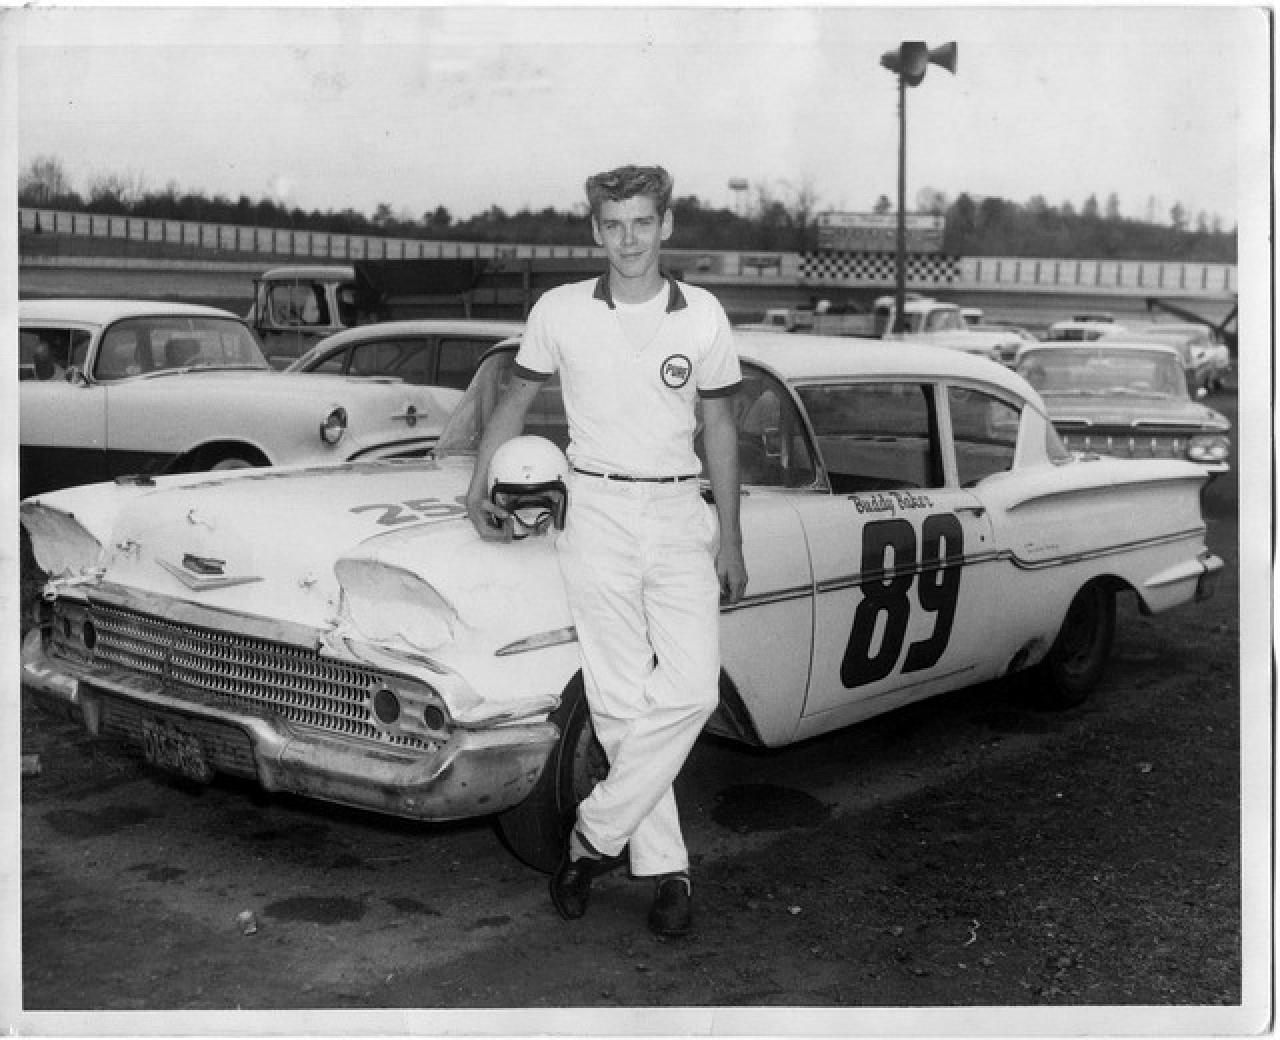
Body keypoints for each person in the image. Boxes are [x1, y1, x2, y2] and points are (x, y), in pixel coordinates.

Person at [465, 164, 747, 937]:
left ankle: (594, 836)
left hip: (677, 506)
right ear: (596, 230)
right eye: (613, 224)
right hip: (594, 508)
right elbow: (514, 401)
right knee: (621, 703)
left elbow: (720, 428)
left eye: (642, 223)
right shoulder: (560, 310)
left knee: (691, 691)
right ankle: (668, 872)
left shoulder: (704, 315)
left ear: (666, 226)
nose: (628, 239)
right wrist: (477, 485)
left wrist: (734, 535)